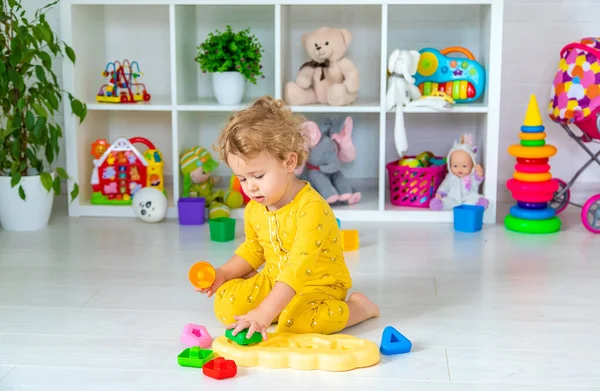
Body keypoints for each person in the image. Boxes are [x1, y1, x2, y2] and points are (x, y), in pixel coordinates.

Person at [197, 96, 380, 340]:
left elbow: (297, 269)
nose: (250, 188)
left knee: (298, 321)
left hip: (317, 285)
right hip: (275, 279)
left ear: (289, 162)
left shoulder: (311, 209)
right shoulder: (256, 207)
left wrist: (264, 311)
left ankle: (359, 308)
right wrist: (224, 273)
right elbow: (253, 249)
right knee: (226, 306)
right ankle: (276, 305)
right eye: (242, 179)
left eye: (258, 176)